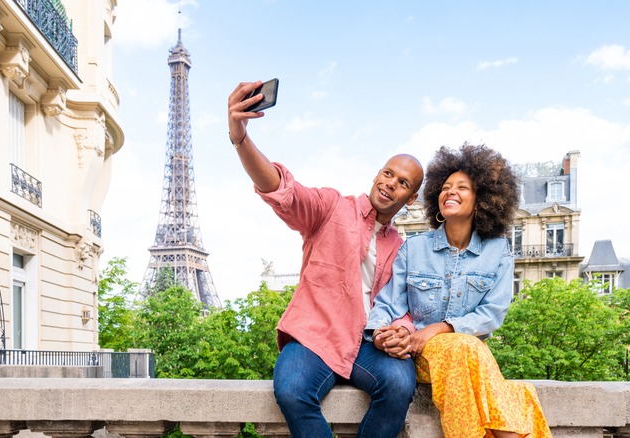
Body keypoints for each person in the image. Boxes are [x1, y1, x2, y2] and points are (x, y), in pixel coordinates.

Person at [227, 80, 424, 438]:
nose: (391, 183)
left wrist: (402, 332)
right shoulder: (332, 207)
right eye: (388, 173)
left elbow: (409, 306)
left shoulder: (404, 248)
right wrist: (239, 136)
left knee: (399, 385)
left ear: (410, 199)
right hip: (315, 338)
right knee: (291, 390)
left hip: (369, 344)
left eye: (403, 183)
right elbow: (280, 189)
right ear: (377, 174)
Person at [366, 144, 552, 438]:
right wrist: (379, 332)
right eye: (445, 187)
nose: (449, 191)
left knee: (484, 363)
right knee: (465, 348)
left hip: (469, 357)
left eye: (462, 187)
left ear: (482, 200)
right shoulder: (414, 248)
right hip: (423, 355)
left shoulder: (499, 251)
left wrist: (443, 327)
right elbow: (387, 303)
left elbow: (493, 313)